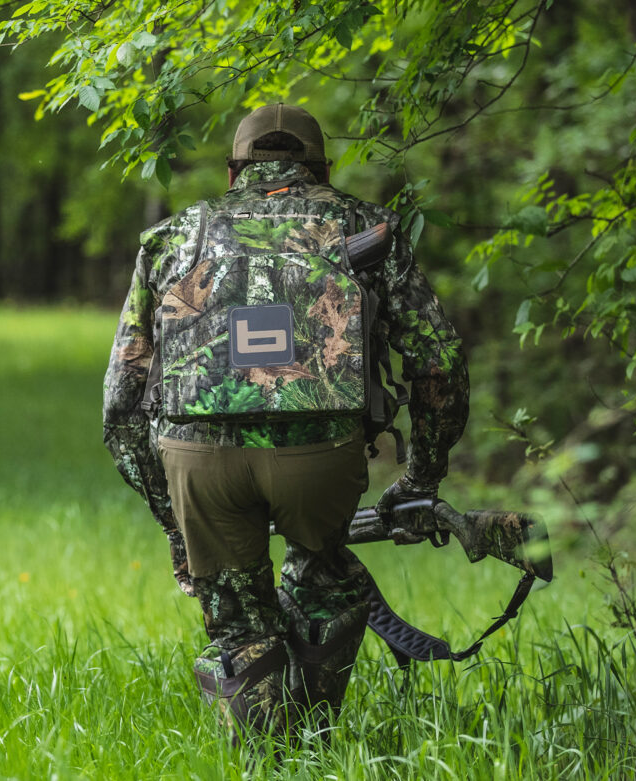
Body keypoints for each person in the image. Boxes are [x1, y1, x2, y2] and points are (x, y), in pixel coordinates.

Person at [101, 104, 470, 742]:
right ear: (322, 167)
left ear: (232, 169)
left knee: (239, 620)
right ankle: (315, 740)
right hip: (321, 454)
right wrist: (421, 479)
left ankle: (265, 757)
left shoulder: (171, 236)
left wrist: (173, 518)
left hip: (196, 457)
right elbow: (440, 366)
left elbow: (120, 400)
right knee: (323, 574)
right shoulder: (366, 227)